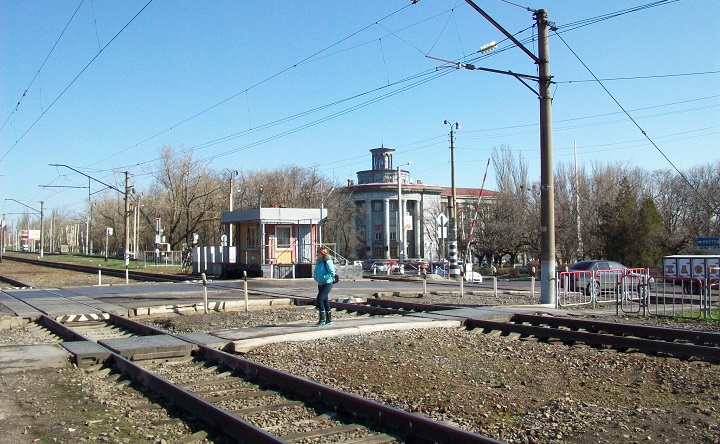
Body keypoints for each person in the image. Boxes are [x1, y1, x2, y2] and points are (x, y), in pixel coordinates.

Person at [313, 246, 336, 325]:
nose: (317, 255)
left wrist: (324, 277)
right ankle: (329, 320)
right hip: (320, 283)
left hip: (327, 283)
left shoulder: (327, 261)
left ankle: (322, 319)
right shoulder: (319, 262)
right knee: (325, 301)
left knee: (319, 299)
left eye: (318, 253)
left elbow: (332, 272)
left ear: (322, 254)